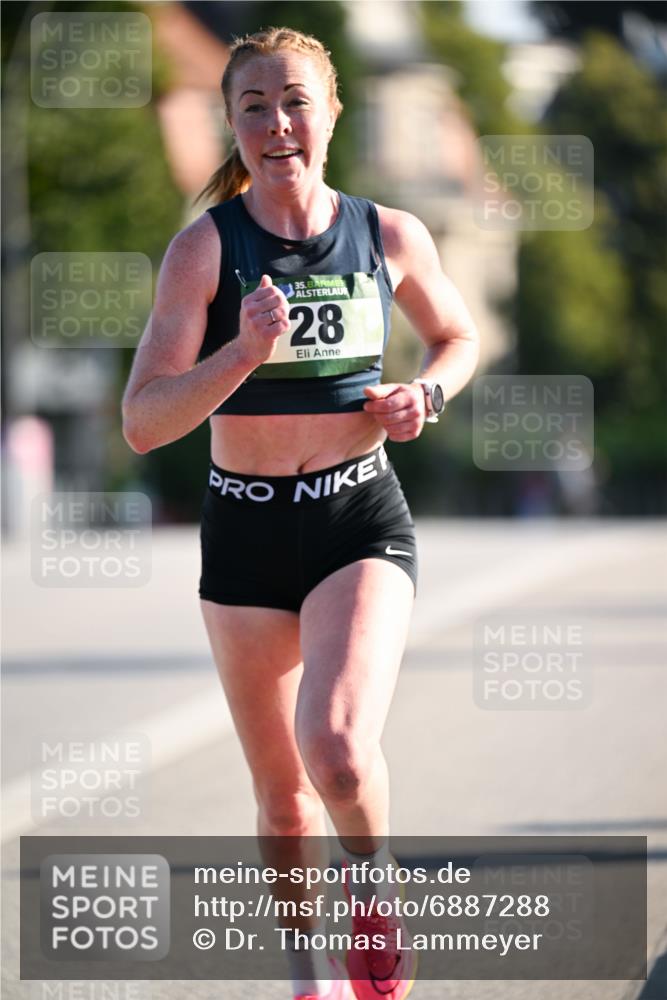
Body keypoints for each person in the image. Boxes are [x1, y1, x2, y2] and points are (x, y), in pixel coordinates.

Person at [122, 26, 479, 1000]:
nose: (276, 124)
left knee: (336, 749)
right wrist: (239, 354)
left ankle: (374, 893)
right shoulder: (205, 249)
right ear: (231, 125)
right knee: (282, 806)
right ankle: (305, 978)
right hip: (242, 531)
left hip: (353, 516)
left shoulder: (386, 233)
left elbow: (455, 335)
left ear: (330, 114)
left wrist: (428, 394)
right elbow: (144, 422)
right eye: (252, 107)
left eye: (294, 101)